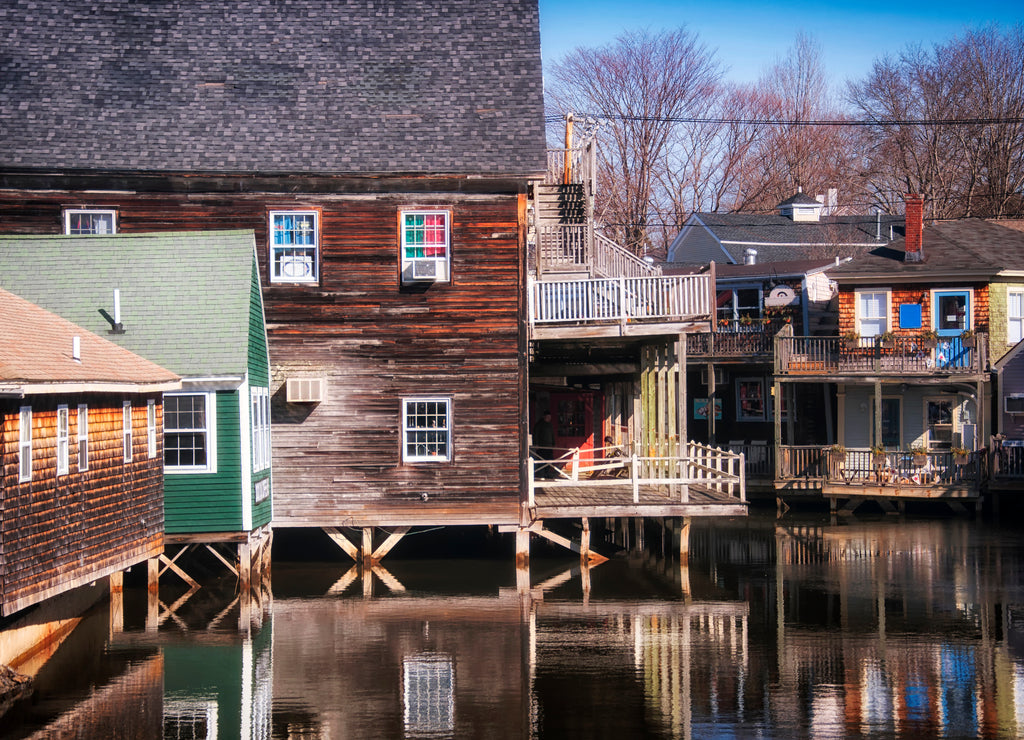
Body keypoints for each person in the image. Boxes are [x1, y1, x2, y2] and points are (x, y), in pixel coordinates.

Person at [532, 411, 556, 479]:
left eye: (550, 417)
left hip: (549, 446)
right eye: (547, 417)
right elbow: (536, 434)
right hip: (542, 446)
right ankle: (541, 474)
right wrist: (536, 444)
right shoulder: (539, 424)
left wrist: (553, 443)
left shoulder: (550, 425)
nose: (549, 418)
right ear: (544, 417)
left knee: (549, 460)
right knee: (541, 460)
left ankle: (547, 473)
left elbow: (552, 434)